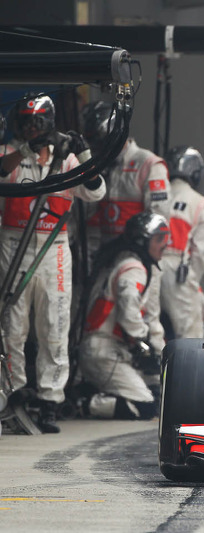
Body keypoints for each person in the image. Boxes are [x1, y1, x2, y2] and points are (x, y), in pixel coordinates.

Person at [0, 94, 106, 433]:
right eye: (27, 122)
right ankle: (10, 397)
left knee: (55, 325)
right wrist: (27, 151)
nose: (33, 128)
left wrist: (84, 151)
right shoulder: (9, 155)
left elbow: (96, 191)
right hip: (12, 243)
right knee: (12, 328)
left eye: (38, 122)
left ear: (49, 122)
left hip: (54, 246)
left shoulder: (68, 158)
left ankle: (49, 402)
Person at [77, 211, 169, 419]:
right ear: (142, 241)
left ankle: (88, 392)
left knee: (154, 391)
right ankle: (81, 402)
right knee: (145, 406)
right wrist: (142, 339)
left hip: (106, 349)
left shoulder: (123, 260)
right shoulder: (134, 268)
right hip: (103, 351)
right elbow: (129, 312)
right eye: (159, 239)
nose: (165, 244)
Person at [81, 101, 171, 252]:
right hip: (103, 253)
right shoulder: (98, 164)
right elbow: (89, 216)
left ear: (116, 136)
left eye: (101, 144)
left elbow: (158, 219)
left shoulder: (148, 164)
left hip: (136, 254)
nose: (98, 151)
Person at [160, 145, 204, 339]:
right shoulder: (200, 203)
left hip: (148, 269)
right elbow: (200, 254)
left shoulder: (154, 195)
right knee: (190, 340)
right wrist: (189, 280)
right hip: (179, 273)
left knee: (154, 334)